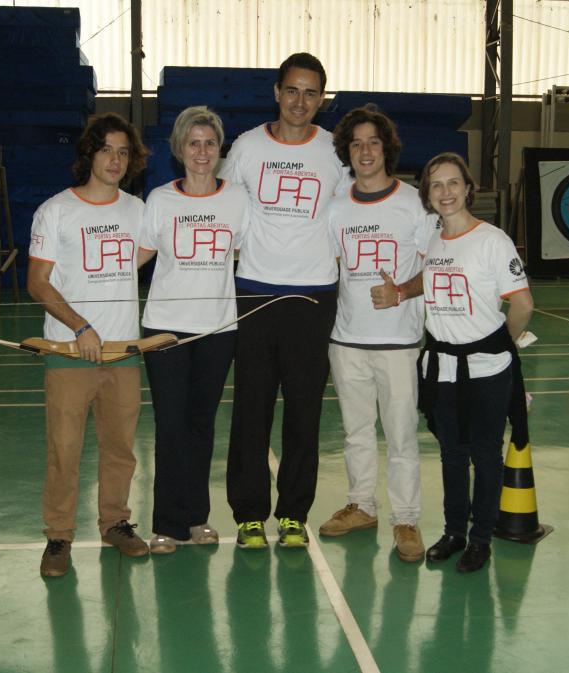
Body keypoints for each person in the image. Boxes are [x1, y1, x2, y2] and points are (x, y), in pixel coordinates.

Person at [371, 152, 533, 573]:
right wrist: (401, 292)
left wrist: (500, 346)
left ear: (468, 188)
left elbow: (522, 304)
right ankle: (454, 532)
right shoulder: (434, 239)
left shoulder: (493, 241)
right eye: (436, 185)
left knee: (486, 455)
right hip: (442, 368)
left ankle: (481, 539)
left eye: (453, 183)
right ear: (428, 194)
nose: (445, 192)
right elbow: (429, 279)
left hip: (486, 369)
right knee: (451, 455)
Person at [219, 52, 350, 549]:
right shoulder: (247, 146)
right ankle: (249, 514)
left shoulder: (334, 151)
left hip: (313, 298)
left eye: (311, 93)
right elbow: (224, 209)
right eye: (292, 90)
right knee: (251, 410)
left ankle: (294, 513)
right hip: (254, 293)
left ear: (322, 99)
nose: (300, 101)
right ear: (277, 92)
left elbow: (353, 212)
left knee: (304, 412)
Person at [26, 113, 151, 577]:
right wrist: (81, 328)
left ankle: (115, 523)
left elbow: (145, 254)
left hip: (123, 354)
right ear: (89, 154)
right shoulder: (55, 210)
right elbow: (38, 283)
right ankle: (59, 535)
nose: (115, 160)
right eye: (106, 150)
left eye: (123, 152)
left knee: (120, 448)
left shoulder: (139, 211)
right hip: (70, 353)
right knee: (64, 449)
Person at [317, 105, 436, 563]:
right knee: (356, 433)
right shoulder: (335, 208)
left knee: (402, 436)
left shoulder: (414, 204)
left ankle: (406, 519)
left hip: (399, 344)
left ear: (387, 148)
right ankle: (362, 505)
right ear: (347, 151)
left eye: (373, 142)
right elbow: (330, 266)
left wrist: (402, 291)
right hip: (347, 341)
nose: (365, 151)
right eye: (356, 144)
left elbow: (437, 267)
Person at [137, 106, 249, 554]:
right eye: (193, 143)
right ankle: (167, 522)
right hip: (164, 329)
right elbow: (137, 256)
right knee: (171, 425)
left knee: (202, 425)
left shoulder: (237, 199)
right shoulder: (160, 200)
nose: (202, 152)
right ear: (179, 149)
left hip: (217, 331)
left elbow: (252, 252)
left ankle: (197, 517)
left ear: (219, 149)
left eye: (209, 143)